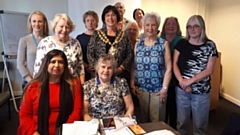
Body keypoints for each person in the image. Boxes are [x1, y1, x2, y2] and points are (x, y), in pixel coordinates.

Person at [18, 49, 82, 135]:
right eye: (53, 62)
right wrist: (34, 133)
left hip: (67, 131)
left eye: (60, 62)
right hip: (35, 132)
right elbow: (24, 115)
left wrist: (65, 131)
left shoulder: (73, 84)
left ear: (65, 65)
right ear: (46, 64)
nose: (57, 65)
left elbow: (76, 111)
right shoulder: (33, 86)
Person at [173, 15, 218, 135]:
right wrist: (183, 82)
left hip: (201, 93)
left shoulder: (210, 45)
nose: (192, 29)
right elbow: (174, 64)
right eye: (189, 27)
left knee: (200, 126)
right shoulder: (181, 43)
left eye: (196, 26)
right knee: (181, 124)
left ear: (202, 27)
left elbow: (209, 70)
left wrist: (189, 81)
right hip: (182, 90)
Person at [130, 12, 172, 123]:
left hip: (158, 90)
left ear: (157, 26)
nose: (150, 28)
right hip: (140, 89)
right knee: (142, 122)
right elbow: (134, 65)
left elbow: (169, 68)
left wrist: (164, 89)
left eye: (153, 25)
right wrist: (132, 82)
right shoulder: (138, 44)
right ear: (143, 26)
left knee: (156, 122)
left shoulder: (163, 44)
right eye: (147, 25)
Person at [33, 13, 85, 84]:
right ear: (54, 27)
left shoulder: (75, 43)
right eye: (61, 26)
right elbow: (38, 69)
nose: (64, 30)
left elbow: (80, 68)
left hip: (72, 85)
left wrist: (82, 87)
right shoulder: (45, 43)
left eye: (67, 27)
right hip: (50, 85)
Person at [87, 5, 133, 84]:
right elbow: (89, 53)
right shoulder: (97, 34)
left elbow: (130, 54)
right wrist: (99, 69)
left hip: (120, 76)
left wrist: (121, 68)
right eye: (108, 15)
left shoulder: (124, 35)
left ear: (117, 17)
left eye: (113, 15)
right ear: (104, 18)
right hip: (100, 76)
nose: (110, 18)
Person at [83, 54, 134, 120]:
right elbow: (85, 112)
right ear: (97, 68)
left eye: (109, 68)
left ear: (113, 70)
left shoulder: (122, 82)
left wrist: (123, 122)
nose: (106, 70)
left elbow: (130, 108)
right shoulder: (88, 85)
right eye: (103, 67)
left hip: (118, 124)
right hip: (96, 124)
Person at [160, 17, 182, 129]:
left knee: (174, 108)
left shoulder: (182, 40)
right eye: (168, 24)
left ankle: (172, 129)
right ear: (164, 26)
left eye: (174, 24)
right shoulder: (160, 39)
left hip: (176, 79)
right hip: (161, 78)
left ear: (177, 27)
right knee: (162, 108)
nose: (171, 26)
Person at [17, 11, 49, 88]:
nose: (37, 24)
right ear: (30, 23)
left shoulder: (49, 40)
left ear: (44, 23)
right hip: (30, 82)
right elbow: (20, 65)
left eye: (40, 21)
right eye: (34, 21)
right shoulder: (24, 40)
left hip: (46, 81)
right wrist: (31, 81)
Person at [76, 11, 99, 81]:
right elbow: (77, 54)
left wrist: (95, 66)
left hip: (98, 69)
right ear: (84, 22)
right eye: (88, 20)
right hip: (83, 69)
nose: (90, 23)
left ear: (96, 22)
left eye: (93, 20)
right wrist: (86, 66)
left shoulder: (101, 36)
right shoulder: (79, 38)